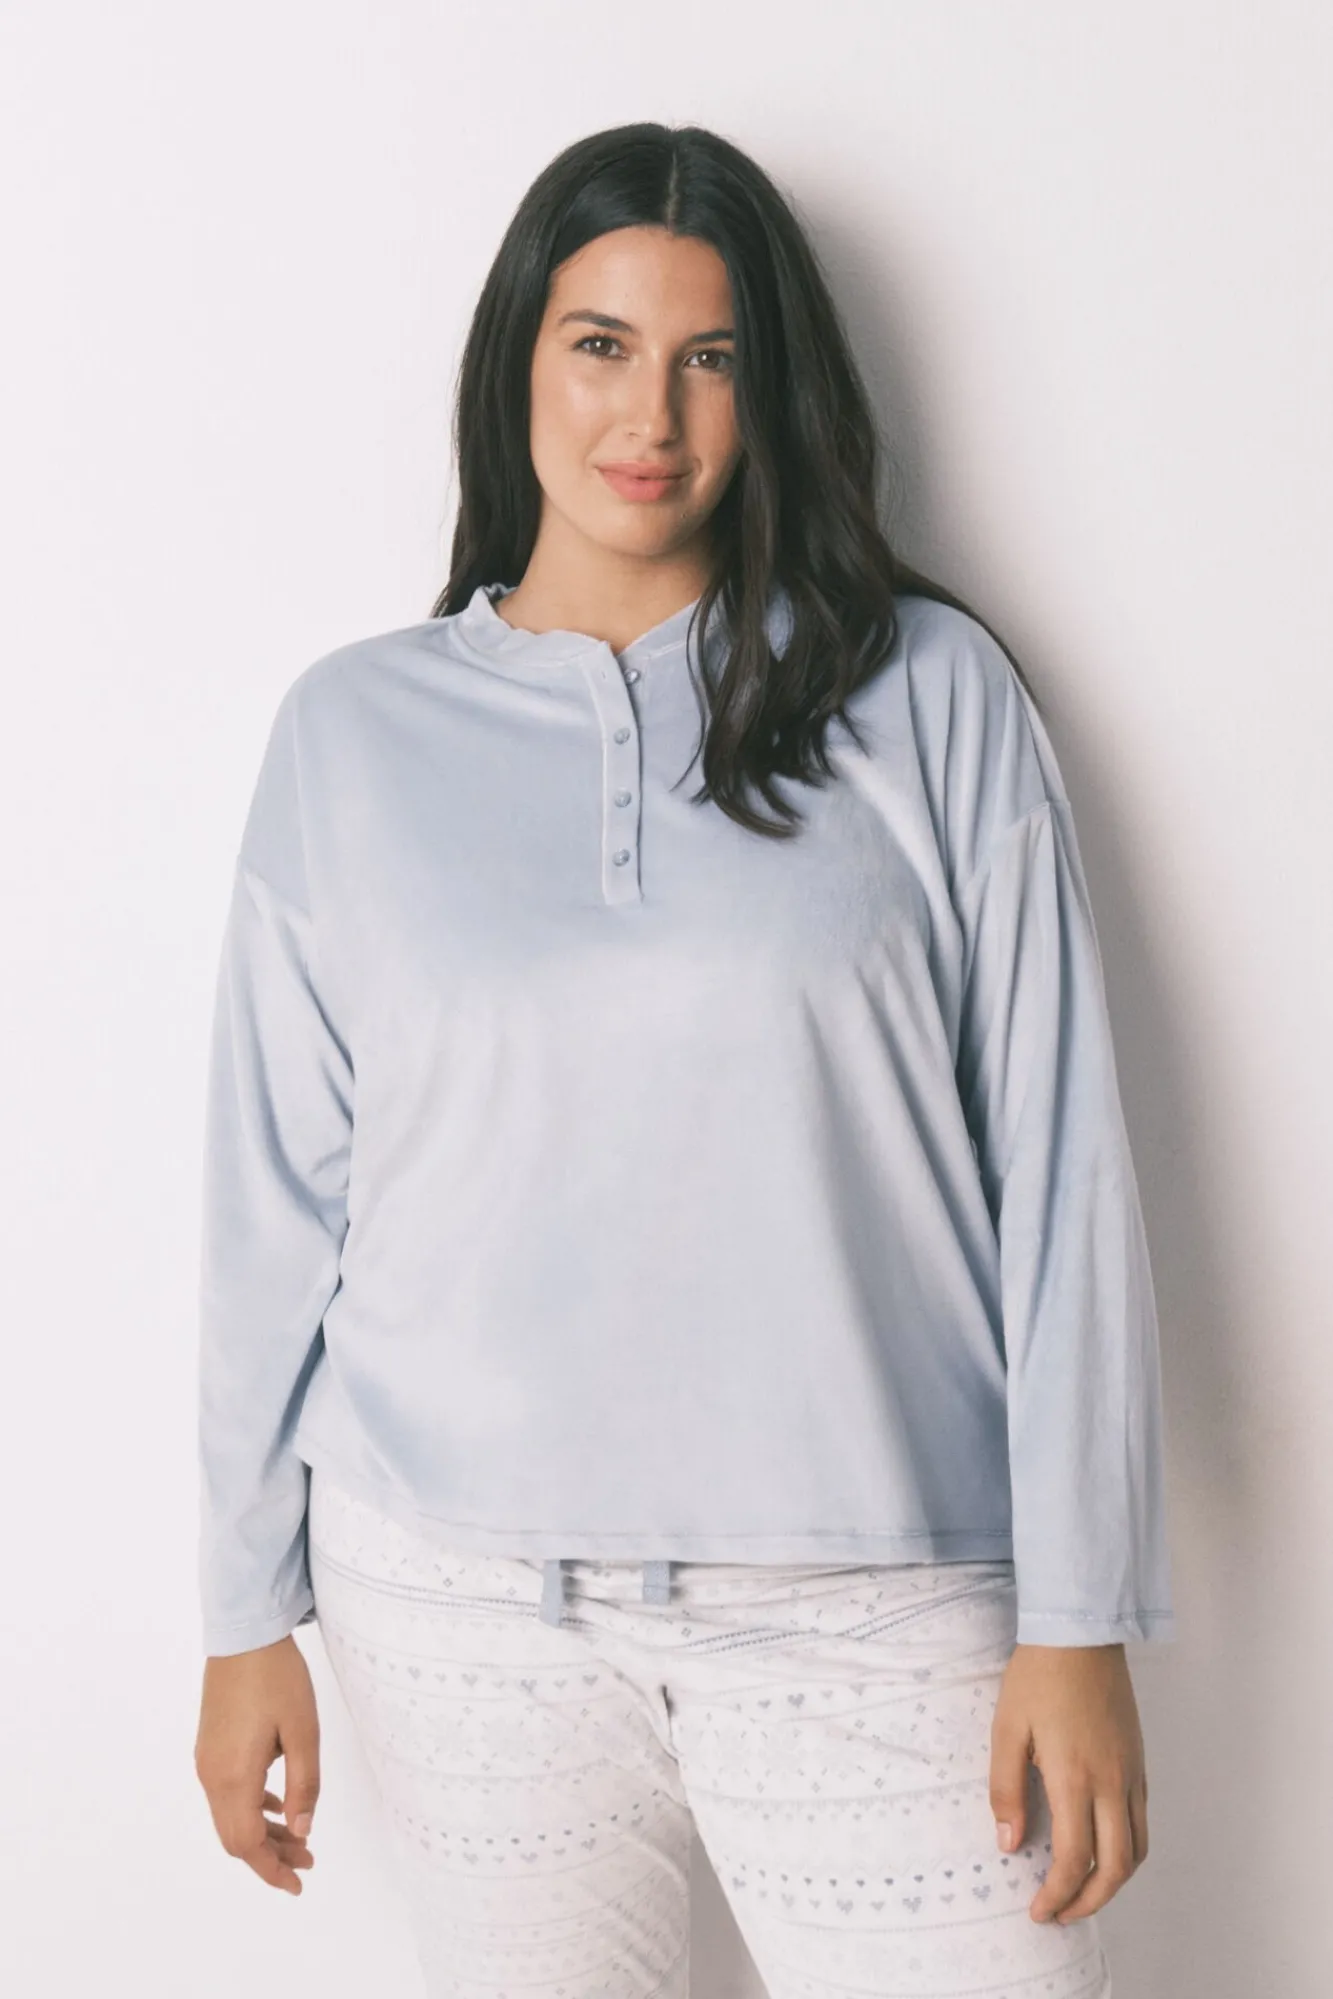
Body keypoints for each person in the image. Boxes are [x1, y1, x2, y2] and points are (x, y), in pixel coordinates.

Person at [192, 121, 1174, 1997]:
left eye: (710, 355)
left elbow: (1060, 1173)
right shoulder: (352, 733)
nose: (651, 413)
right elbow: (271, 1202)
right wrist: (247, 1612)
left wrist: (1080, 1615)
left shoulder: (927, 694)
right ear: (519, 360)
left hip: (884, 1604)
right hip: (459, 1613)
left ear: (770, 387)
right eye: (601, 345)